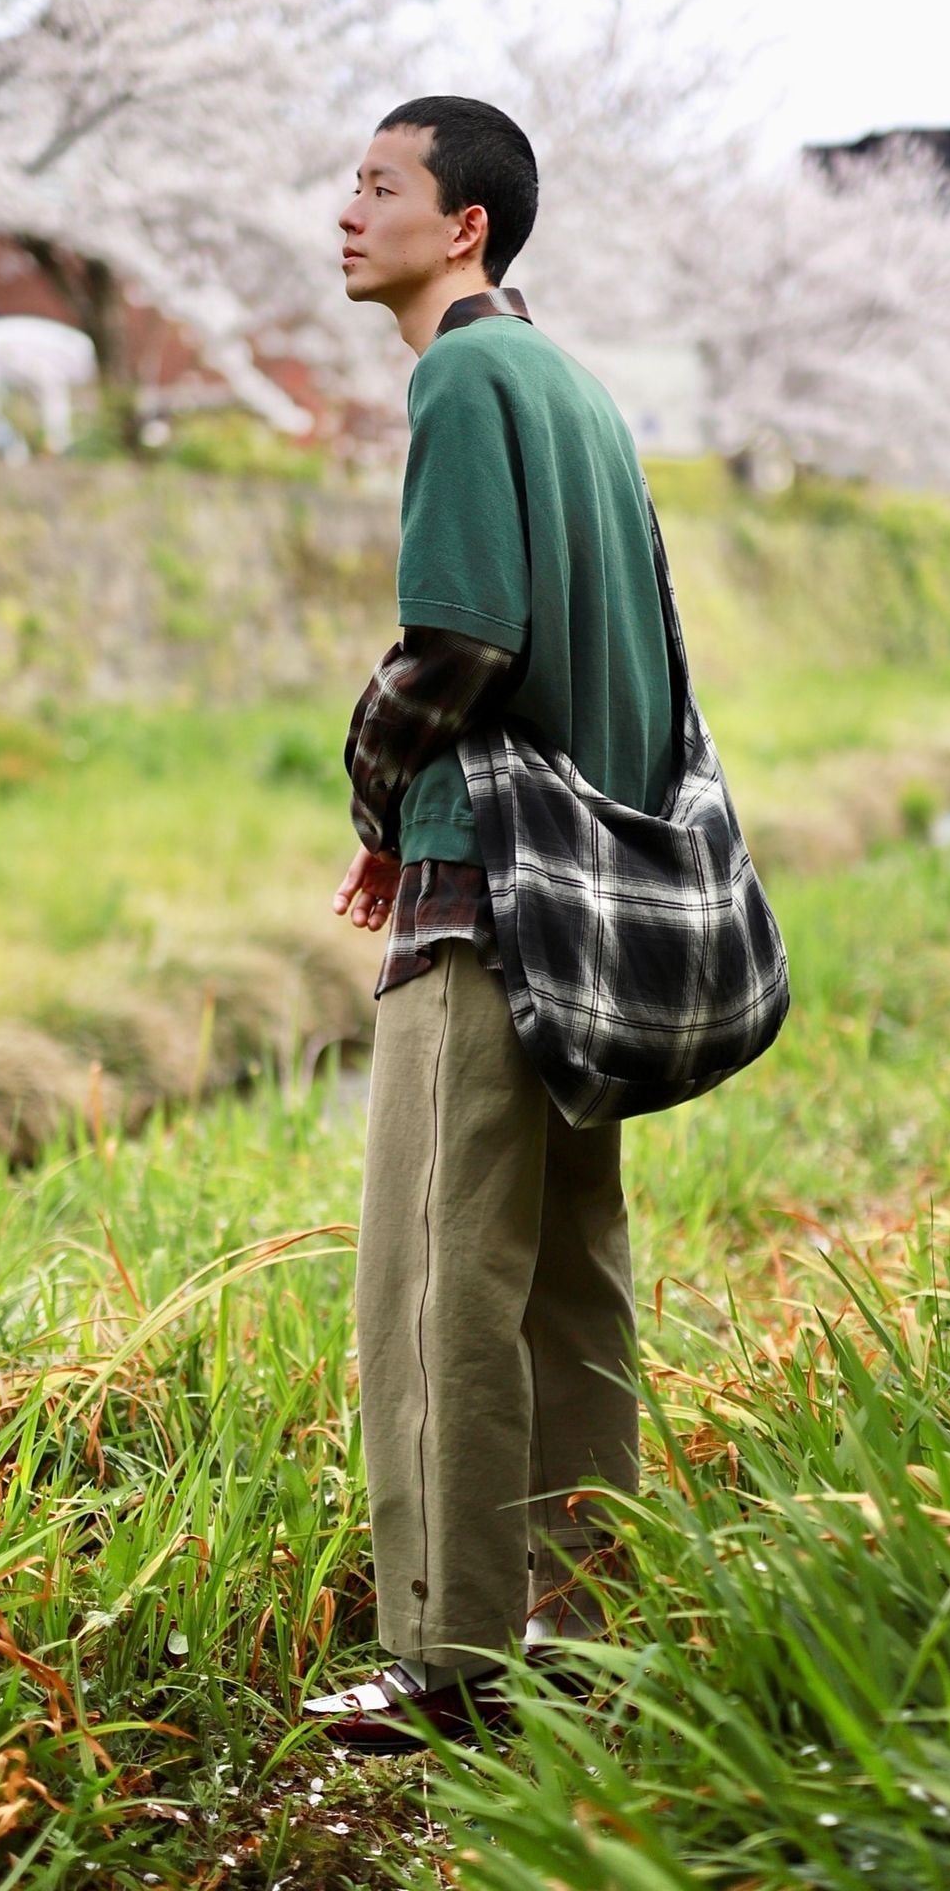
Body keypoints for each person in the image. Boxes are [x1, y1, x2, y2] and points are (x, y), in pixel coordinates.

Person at [301, 96, 673, 1748]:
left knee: (439, 1279)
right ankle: (589, 1620)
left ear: (466, 226)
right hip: (593, 898)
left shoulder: (458, 373)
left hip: (483, 887)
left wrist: (378, 798)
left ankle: (454, 1659)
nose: (347, 207)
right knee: (568, 1279)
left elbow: (456, 642)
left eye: (379, 184)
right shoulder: (575, 386)